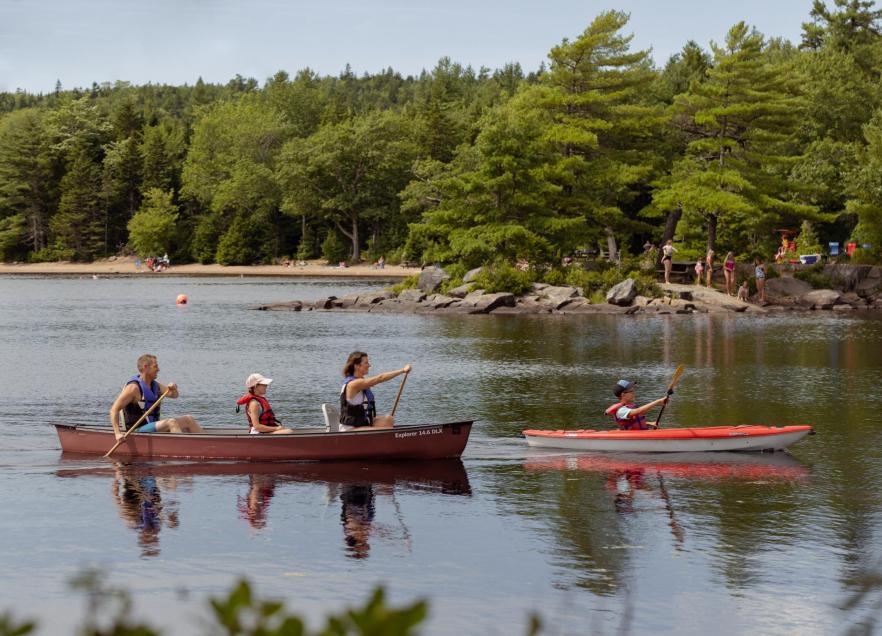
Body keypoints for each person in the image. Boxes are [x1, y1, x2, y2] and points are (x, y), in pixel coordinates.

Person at [109, 354, 204, 441]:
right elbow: (114, 410)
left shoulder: (155, 385)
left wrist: (174, 389)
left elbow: (174, 395)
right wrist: (117, 433)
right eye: (155, 366)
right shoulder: (133, 388)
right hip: (137, 430)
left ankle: (204, 445)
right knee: (171, 422)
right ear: (146, 367)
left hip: (153, 427)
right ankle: (183, 448)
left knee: (189, 419)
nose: (158, 369)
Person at [340, 352, 411, 430]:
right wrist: (402, 370)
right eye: (366, 363)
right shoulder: (354, 384)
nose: (369, 365)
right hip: (351, 428)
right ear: (357, 366)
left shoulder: (360, 382)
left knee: (388, 419)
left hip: (361, 423)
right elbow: (380, 378)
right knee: (386, 430)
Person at [604, 379, 672, 431]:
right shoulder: (621, 410)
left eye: (633, 391)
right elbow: (640, 411)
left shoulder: (629, 408)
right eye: (631, 391)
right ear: (623, 395)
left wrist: (648, 424)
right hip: (630, 437)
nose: (634, 393)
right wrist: (658, 402)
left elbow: (633, 422)